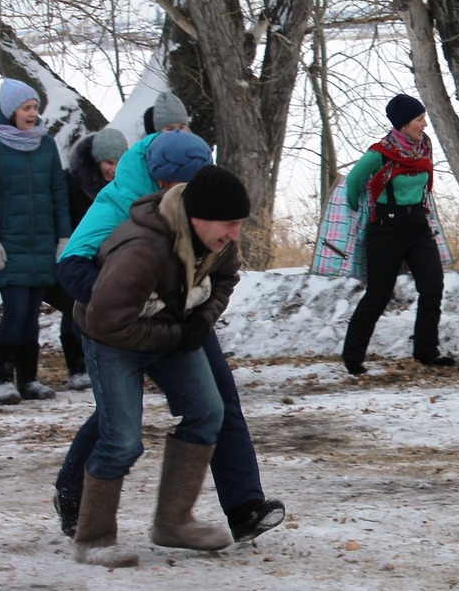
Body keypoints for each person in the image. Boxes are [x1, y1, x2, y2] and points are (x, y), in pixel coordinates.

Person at [54, 124, 285, 545]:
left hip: (181, 311)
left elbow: (226, 272)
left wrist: (195, 317)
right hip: (124, 319)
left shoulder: (210, 213)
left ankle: (242, 505)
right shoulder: (121, 204)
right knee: (118, 419)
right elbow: (71, 266)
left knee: (215, 402)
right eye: (185, 185)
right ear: (162, 181)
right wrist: (142, 306)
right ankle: (74, 495)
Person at [70, 166, 249, 567]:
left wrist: (202, 320)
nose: (234, 234)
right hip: (110, 338)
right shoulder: (142, 250)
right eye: (229, 224)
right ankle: (93, 539)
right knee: (122, 439)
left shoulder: (218, 243)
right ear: (198, 217)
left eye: (239, 224)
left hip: (168, 329)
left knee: (208, 413)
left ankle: (174, 522)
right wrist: (174, 336)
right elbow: (106, 321)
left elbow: (227, 279)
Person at [0, 79, 71, 405]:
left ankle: (28, 379)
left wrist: (63, 237)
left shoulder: (45, 145)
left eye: (35, 108)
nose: (33, 114)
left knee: (31, 315)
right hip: (8, 244)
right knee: (16, 310)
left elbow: (58, 194)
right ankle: (1, 378)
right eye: (27, 108)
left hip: (42, 243)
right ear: (10, 110)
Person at [341, 94, 454, 376]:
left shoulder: (423, 147)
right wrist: (361, 211)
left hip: (417, 225)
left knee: (433, 285)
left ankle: (426, 351)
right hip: (387, 229)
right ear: (403, 124)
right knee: (379, 294)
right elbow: (354, 182)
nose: (424, 124)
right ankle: (352, 357)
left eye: (423, 117)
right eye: (419, 119)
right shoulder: (380, 152)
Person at [43, 127, 129, 390]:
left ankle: (103, 364)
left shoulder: (126, 186)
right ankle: (76, 367)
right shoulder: (71, 182)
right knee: (73, 311)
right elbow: (59, 214)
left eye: (119, 162)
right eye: (108, 162)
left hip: (109, 258)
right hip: (74, 256)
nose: (113, 169)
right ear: (96, 161)